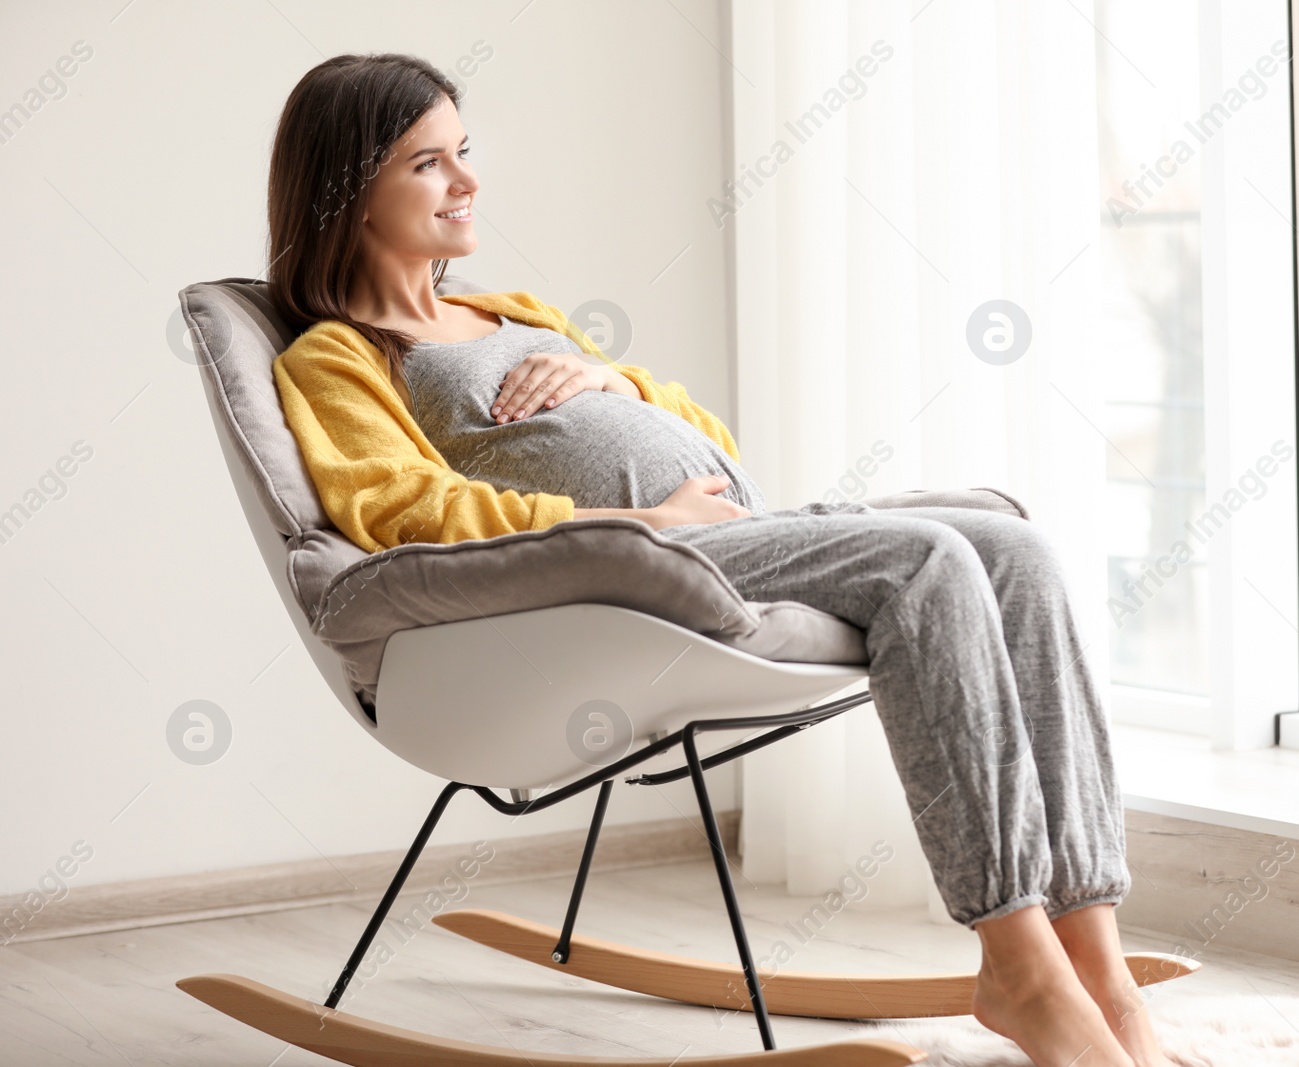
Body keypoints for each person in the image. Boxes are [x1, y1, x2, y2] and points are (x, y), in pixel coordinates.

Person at [266, 52, 1178, 1067]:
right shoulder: (338, 354)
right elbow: (404, 510)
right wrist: (641, 524)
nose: (470, 182)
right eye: (430, 164)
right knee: (925, 562)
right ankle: (1018, 963)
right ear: (348, 192)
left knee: (1015, 549)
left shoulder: (515, 311)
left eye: (464, 152)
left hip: (730, 529)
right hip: (633, 577)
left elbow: (710, 437)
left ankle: (1096, 963)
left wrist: (615, 378)